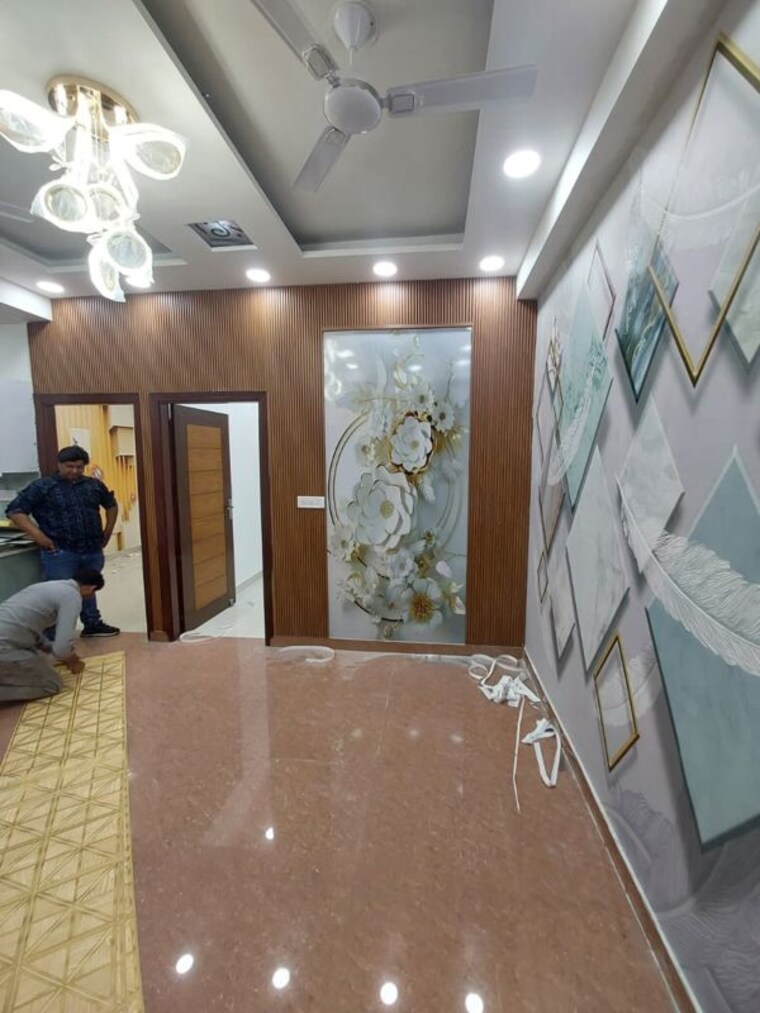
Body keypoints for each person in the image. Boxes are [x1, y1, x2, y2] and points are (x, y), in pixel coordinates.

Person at [5, 445, 120, 637]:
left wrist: (108, 531)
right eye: (69, 466)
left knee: (88, 587)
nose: (74, 471)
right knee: (58, 593)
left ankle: (92, 624)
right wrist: (38, 535)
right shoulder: (43, 486)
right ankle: (53, 633)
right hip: (60, 551)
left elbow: (111, 505)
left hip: (92, 548)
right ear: (59, 465)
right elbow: (15, 511)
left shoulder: (93, 485)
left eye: (79, 467)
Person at [0, 569, 104, 703]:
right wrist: (70, 658)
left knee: (36, 658)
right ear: (91, 589)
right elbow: (61, 649)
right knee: (52, 684)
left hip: (7, 638)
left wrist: (48, 646)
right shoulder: (72, 597)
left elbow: (27, 625)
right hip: (4, 647)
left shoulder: (48, 586)